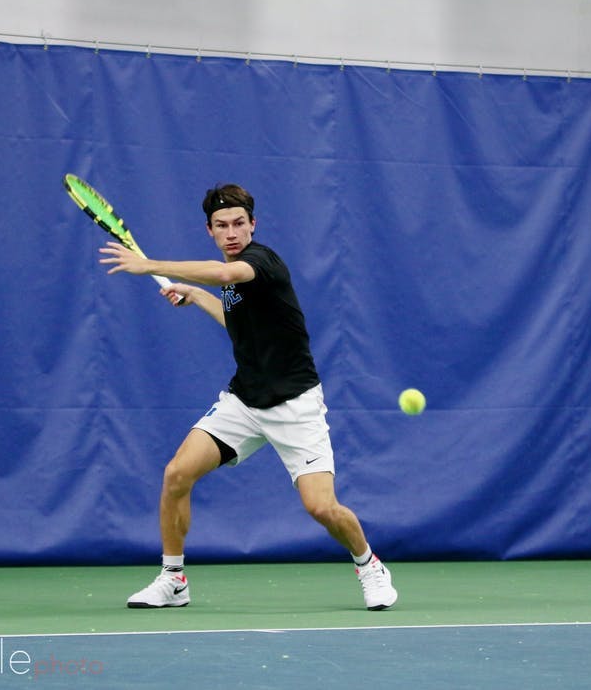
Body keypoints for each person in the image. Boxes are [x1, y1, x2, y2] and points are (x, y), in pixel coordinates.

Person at [98, 183, 397, 611]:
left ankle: (369, 565)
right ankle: (173, 579)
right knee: (177, 474)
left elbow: (224, 275)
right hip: (244, 401)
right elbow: (237, 324)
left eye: (239, 223)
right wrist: (197, 296)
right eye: (222, 226)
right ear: (210, 231)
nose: (232, 232)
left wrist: (150, 266)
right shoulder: (232, 282)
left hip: (295, 405)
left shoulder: (261, 262)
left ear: (253, 225)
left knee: (321, 507)